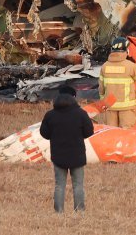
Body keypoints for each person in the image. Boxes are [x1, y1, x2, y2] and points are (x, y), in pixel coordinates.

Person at [38, 84, 93, 214]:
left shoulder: (50, 115)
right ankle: (79, 211)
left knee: (59, 185)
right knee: (78, 185)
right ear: (74, 97)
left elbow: (44, 133)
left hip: (58, 155)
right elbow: (89, 132)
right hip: (77, 155)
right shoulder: (81, 114)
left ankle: (59, 212)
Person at [98, 36, 136, 127]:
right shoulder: (130, 66)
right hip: (126, 106)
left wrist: (103, 100)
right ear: (126, 50)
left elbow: (101, 87)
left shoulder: (104, 66)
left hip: (109, 105)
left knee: (111, 130)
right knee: (125, 132)